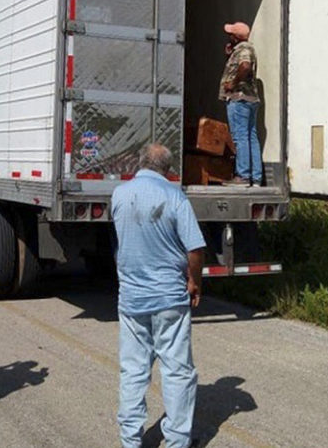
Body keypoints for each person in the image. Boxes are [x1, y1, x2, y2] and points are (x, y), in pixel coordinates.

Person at [111, 144, 206, 448]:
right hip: (168, 298)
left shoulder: (119, 195)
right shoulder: (175, 197)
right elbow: (195, 249)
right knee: (177, 371)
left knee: (133, 371)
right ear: (168, 169)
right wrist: (194, 281)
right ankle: (178, 441)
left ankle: (130, 441)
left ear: (139, 164)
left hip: (131, 299)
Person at [219, 21, 263, 187]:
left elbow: (245, 67)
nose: (229, 36)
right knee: (251, 137)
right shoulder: (244, 49)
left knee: (240, 137)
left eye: (231, 33)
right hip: (250, 100)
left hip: (239, 99)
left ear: (236, 37)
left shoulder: (244, 49)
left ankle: (243, 176)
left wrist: (233, 84)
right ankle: (256, 178)